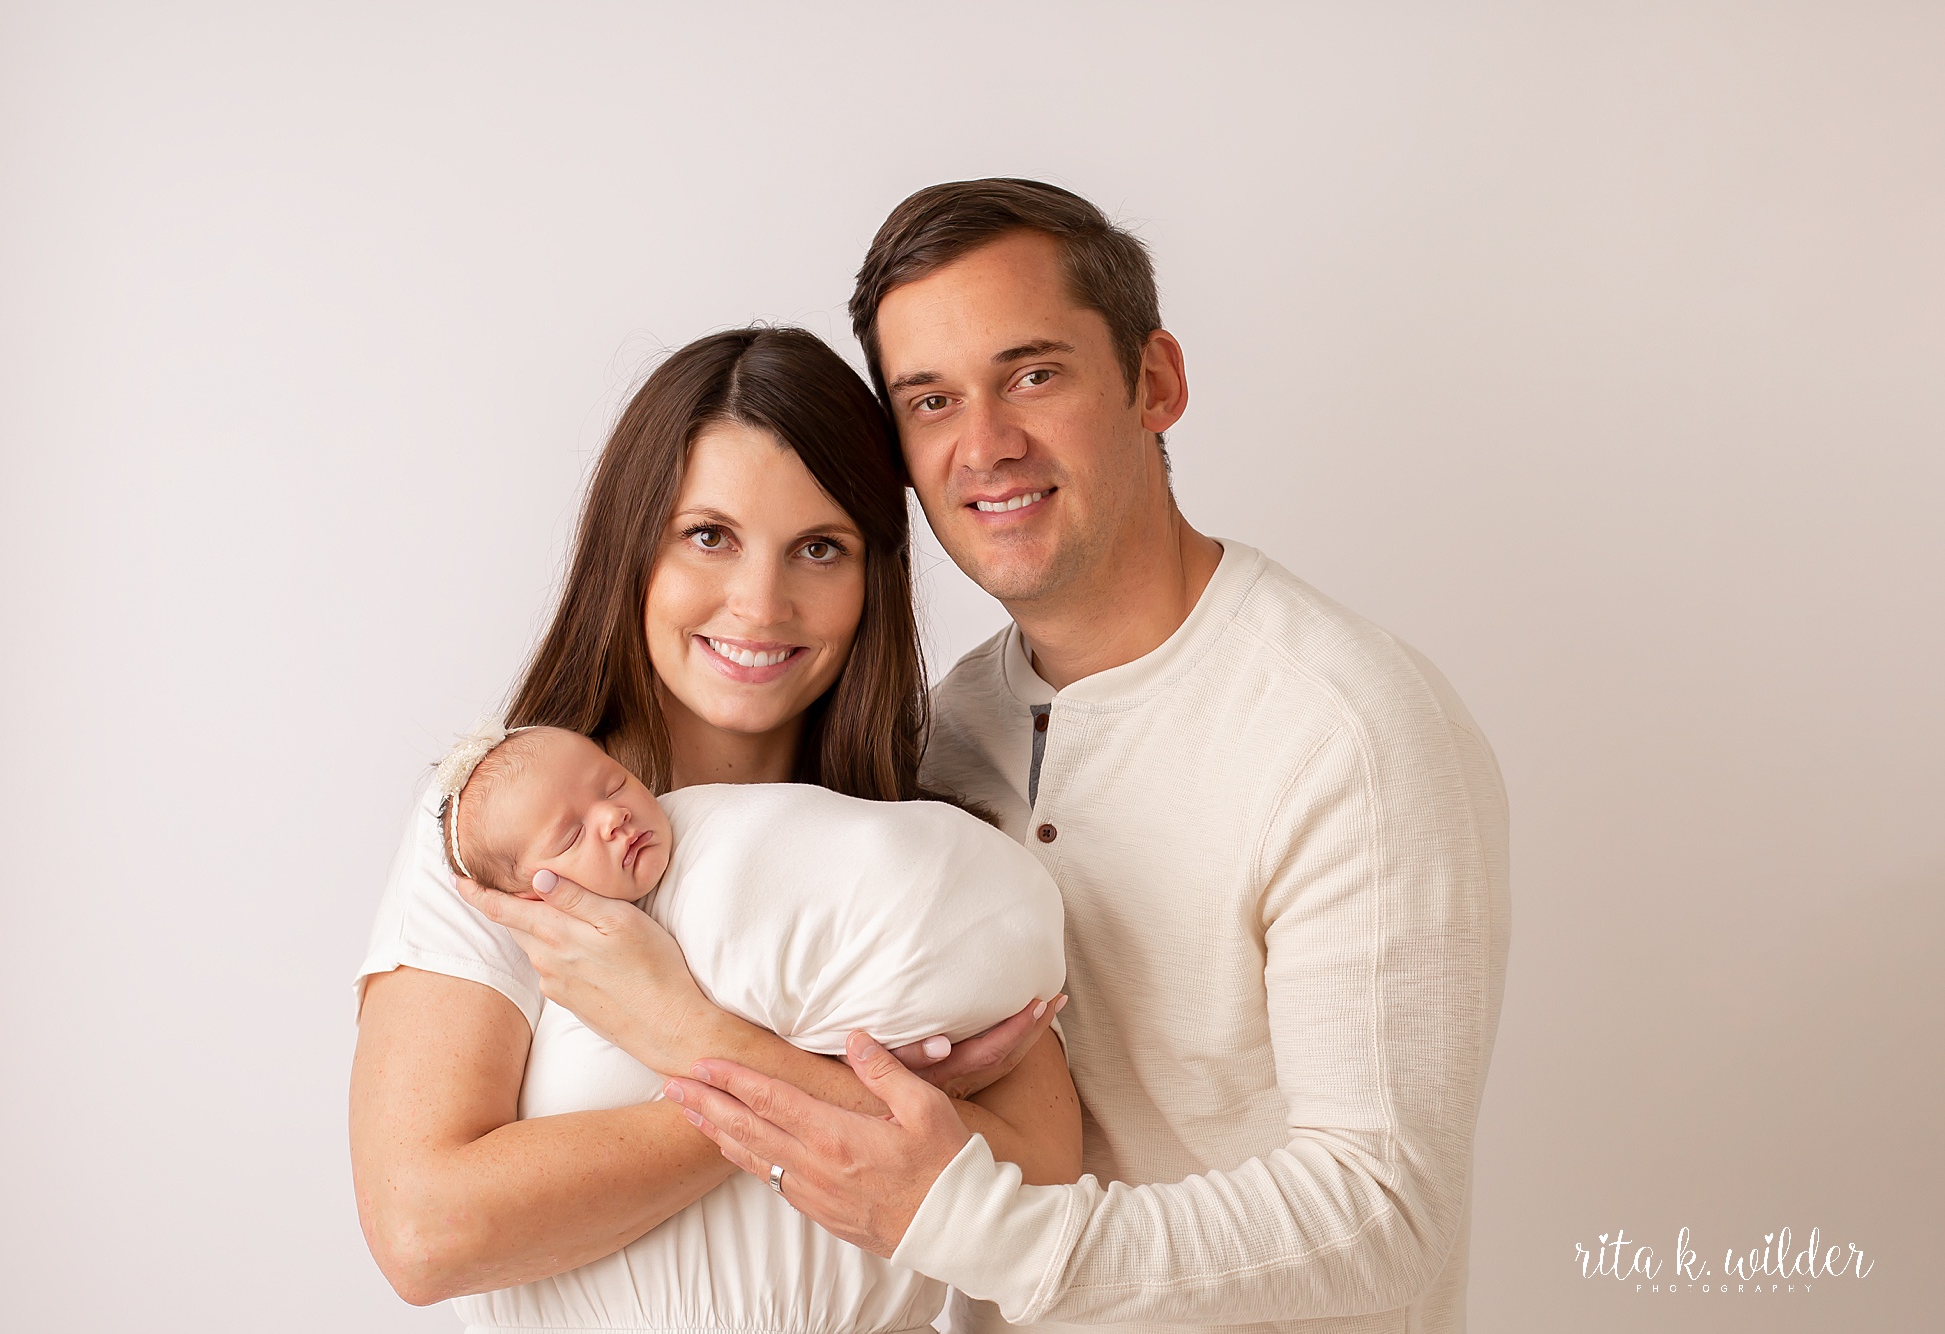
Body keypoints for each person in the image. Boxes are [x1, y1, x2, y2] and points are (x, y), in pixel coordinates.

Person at [480, 180, 1510, 1333]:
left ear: (1154, 381)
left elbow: (1384, 1215)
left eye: (1033, 373)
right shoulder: (951, 727)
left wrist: (954, 1209)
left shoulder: (1346, 732)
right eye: (929, 400)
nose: (985, 445)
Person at [349, 326, 1081, 1321]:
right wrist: (843, 1088)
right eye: (709, 536)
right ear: (631, 544)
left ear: (874, 577)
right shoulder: (503, 829)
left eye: (819, 547)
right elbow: (428, 1231)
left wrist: (685, 1032)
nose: (759, 602)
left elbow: (1039, 1193)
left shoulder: (925, 850)